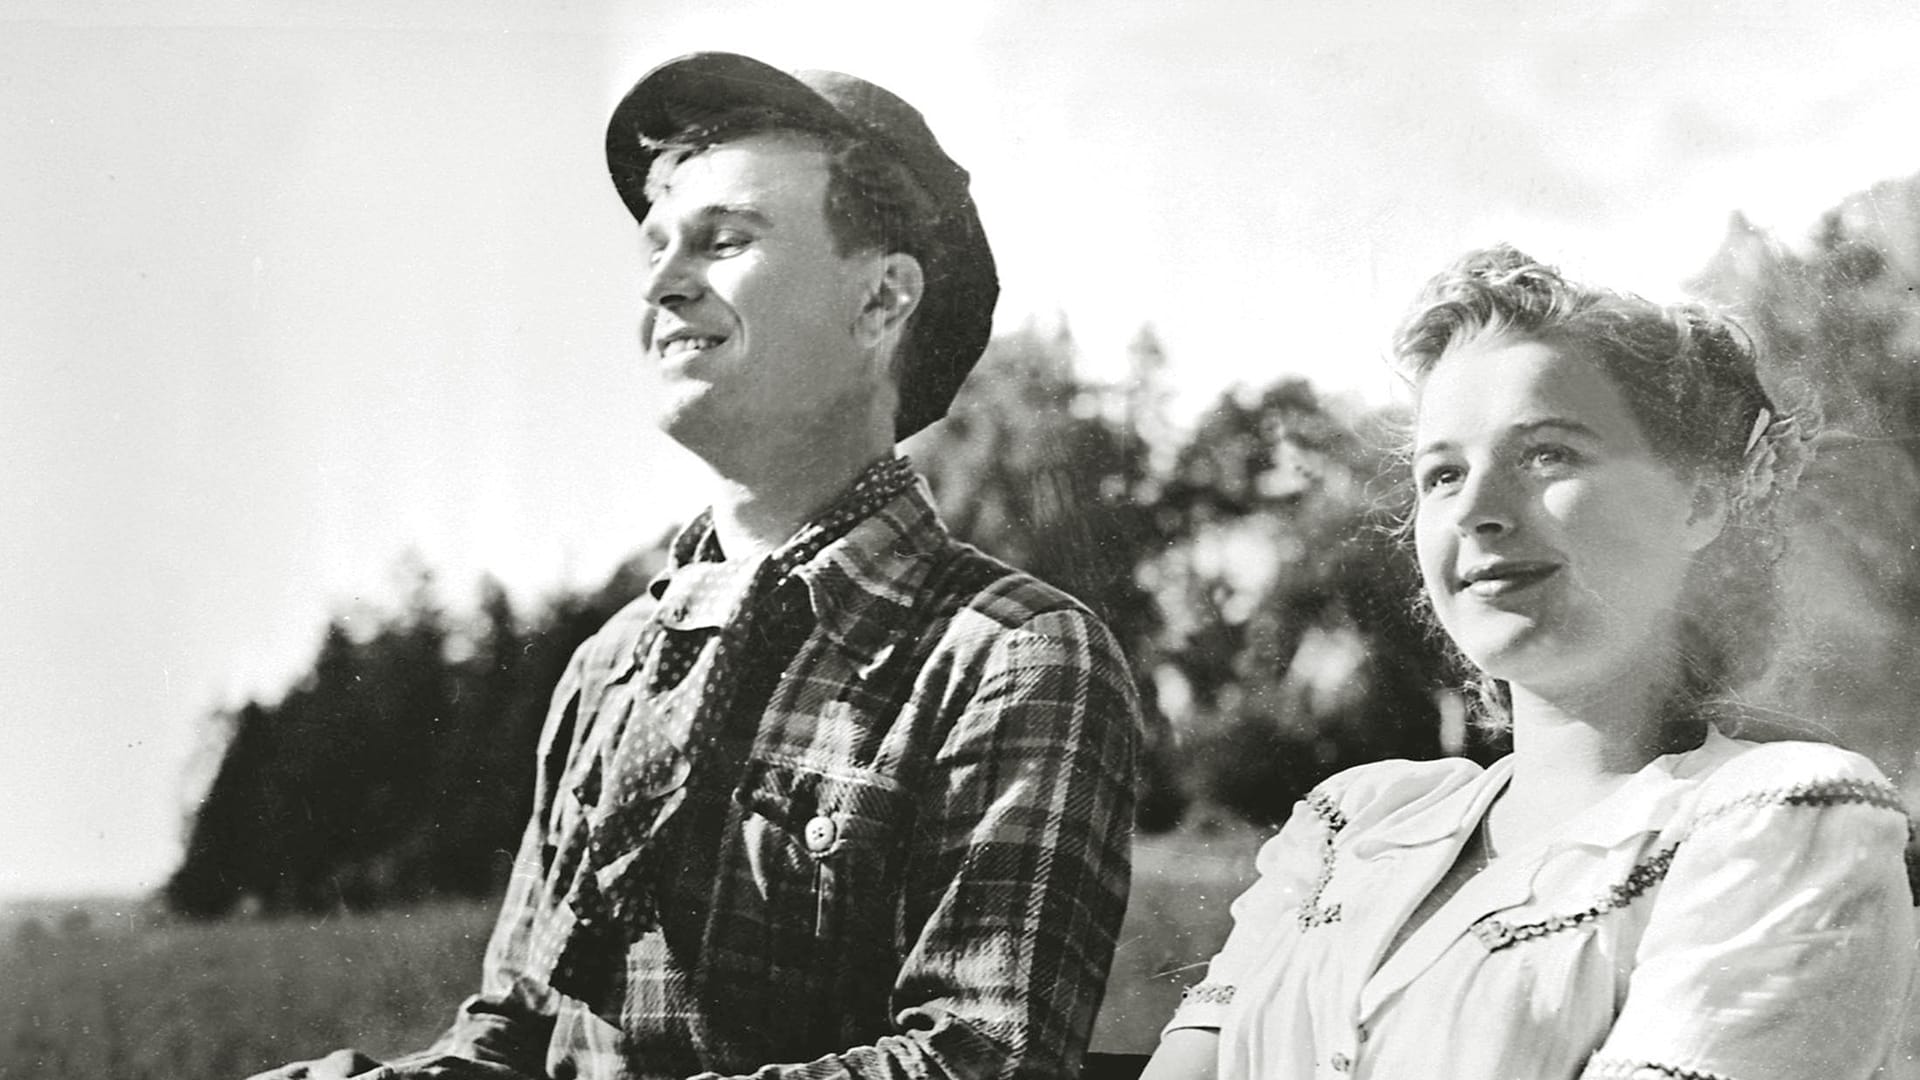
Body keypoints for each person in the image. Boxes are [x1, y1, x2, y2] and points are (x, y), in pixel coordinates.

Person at [250, 51, 1141, 1080]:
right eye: (656, 246)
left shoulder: (1012, 659)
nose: (662, 283)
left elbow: (980, 1060)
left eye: (725, 241)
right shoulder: (612, 666)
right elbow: (515, 1033)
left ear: (882, 300)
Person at [1143, 245, 1916, 1080]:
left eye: (1549, 453)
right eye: (1443, 474)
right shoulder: (1352, 823)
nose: (1475, 508)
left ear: (1698, 502)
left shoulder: (1781, 817)